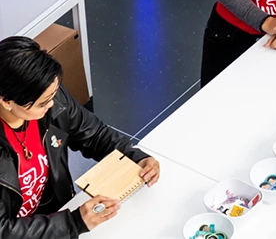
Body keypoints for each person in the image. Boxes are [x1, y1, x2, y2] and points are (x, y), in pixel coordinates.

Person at [0, 36, 161, 238]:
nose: (51, 105)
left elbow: (95, 134)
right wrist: (74, 222)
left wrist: (135, 157)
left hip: (57, 211)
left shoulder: (50, 97)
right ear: (6, 101)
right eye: (42, 103)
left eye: (53, 94)